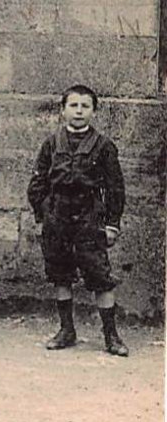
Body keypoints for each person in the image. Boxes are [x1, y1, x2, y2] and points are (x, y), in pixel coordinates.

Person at [27, 85, 128, 358]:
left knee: (100, 276)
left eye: (85, 106)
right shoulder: (51, 143)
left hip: (89, 217)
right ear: (63, 110)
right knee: (60, 275)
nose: (79, 111)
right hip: (57, 217)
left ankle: (111, 335)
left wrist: (111, 223)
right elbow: (37, 182)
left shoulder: (104, 146)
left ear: (94, 111)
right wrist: (43, 214)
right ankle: (66, 330)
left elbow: (115, 188)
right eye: (73, 105)